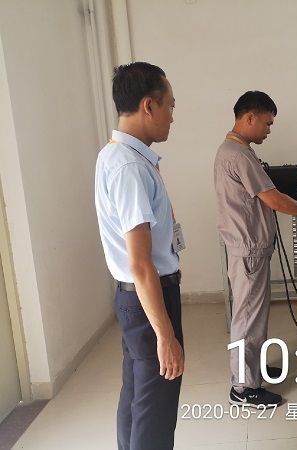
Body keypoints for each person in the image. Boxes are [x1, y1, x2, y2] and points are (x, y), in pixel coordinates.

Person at [214, 91, 297, 408]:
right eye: (267, 123)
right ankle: (243, 388)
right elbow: (275, 200)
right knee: (247, 318)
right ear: (249, 117)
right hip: (249, 251)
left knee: (253, 315)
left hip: (248, 249)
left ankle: (252, 370)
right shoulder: (239, 155)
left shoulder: (234, 151)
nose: (269, 130)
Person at [95, 62, 184, 450]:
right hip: (149, 297)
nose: (172, 116)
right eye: (170, 105)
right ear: (149, 105)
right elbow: (141, 261)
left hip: (134, 298)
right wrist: (165, 335)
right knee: (155, 410)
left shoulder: (115, 155)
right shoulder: (130, 166)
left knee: (137, 399)